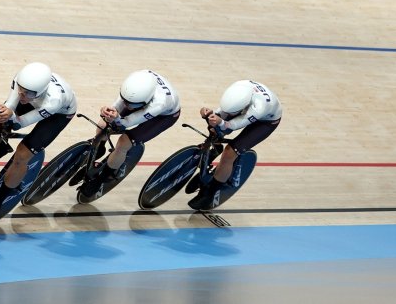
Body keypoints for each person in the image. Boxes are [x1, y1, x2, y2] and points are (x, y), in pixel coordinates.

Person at [0, 62, 77, 207]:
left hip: (59, 114)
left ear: (40, 91)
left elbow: (20, 123)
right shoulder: (21, 82)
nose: (22, 95)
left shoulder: (54, 100)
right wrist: (1, 110)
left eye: (28, 93)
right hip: (37, 102)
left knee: (22, 155)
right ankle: (0, 147)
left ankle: (2, 195)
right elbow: (11, 106)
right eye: (21, 90)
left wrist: (11, 116)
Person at [80, 70, 181, 196]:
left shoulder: (159, 103)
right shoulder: (132, 88)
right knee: (103, 124)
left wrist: (116, 119)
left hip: (163, 116)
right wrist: (109, 112)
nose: (128, 106)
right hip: (143, 100)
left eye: (133, 104)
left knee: (124, 142)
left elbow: (127, 123)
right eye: (125, 101)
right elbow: (118, 107)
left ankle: (102, 178)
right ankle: (100, 147)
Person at [191, 80, 282, 210]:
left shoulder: (259, 107)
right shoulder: (239, 88)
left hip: (265, 122)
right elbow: (224, 112)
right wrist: (211, 114)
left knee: (229, 153)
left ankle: (211, 192)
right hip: (248, 108)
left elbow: (234, 125)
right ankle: (213, 154)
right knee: (214, 129)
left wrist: (222, 122)